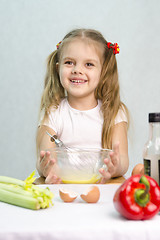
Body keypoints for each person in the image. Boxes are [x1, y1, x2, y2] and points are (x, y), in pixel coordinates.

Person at [36, 28, 129, 184]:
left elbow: (123, 160)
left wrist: (115, 167)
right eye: (69, 62)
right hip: (64, 188)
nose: (77, 70)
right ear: (58, 67)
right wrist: (49, 169)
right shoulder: (53, 111)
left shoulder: (114, 111)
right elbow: (45, 157)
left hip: (101, 189)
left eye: (89, 64)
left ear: (103, 71)